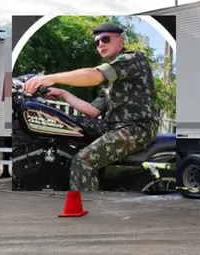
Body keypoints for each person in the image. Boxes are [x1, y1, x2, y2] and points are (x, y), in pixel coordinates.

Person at [24, 22, 159, 192]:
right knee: (66, 125)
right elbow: (92, 110)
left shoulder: (132, 59)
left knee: (83, 161)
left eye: (105, 39)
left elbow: (95, 75)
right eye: (97, 42)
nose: (100, 44)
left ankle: (88, 207)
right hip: (112, 126)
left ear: (121, 40)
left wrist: (51, 78)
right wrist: (63, 94)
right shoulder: (110, 82)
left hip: (136, 128)